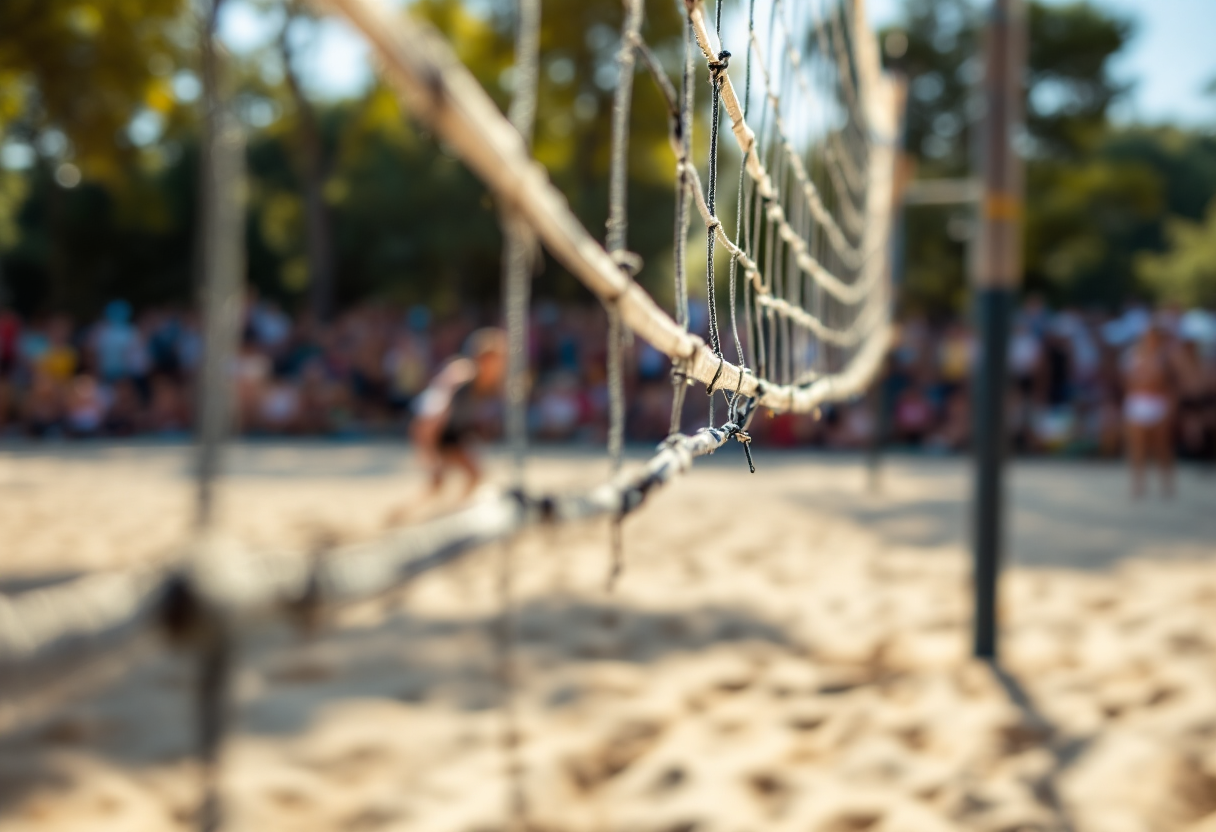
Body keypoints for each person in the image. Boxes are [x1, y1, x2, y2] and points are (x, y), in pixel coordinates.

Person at [409, 328, 507, 500]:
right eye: (493, 360)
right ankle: (402, 516)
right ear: (481, 358)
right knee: (437, 484)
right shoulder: (462, 375)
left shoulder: (490, 383)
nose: (497, 366)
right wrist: (429, 455)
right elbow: (429, 416)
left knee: (474, 475)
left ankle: (454, 509)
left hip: (451, 433)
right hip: (436, 432)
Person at [1122, 324, 1176, 498]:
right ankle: (1138, 485)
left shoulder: (1165, 357)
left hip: (1158, 404)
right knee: (1137, 448)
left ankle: (1166, 484)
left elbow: (1169, 384)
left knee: (1162, 448)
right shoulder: (1132, 355)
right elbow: (1128, 382)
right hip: (1138, 404)